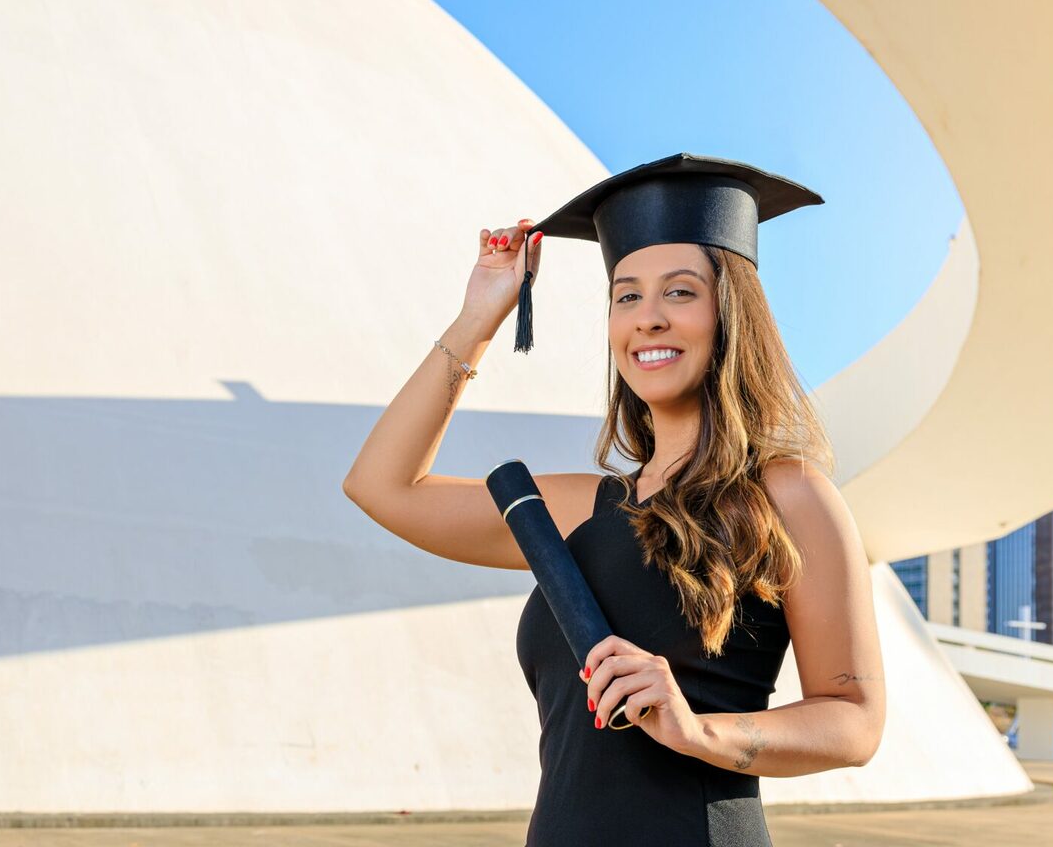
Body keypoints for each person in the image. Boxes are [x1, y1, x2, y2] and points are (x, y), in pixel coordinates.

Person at [343, 153, 885, 846]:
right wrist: (479, 315)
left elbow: (853, 721)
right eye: (626, 296)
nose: (649, 318)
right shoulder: (583, 508)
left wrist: (698, 730)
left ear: (731, 314)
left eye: (681, 293)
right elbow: (382, 487)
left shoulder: (788, 493)